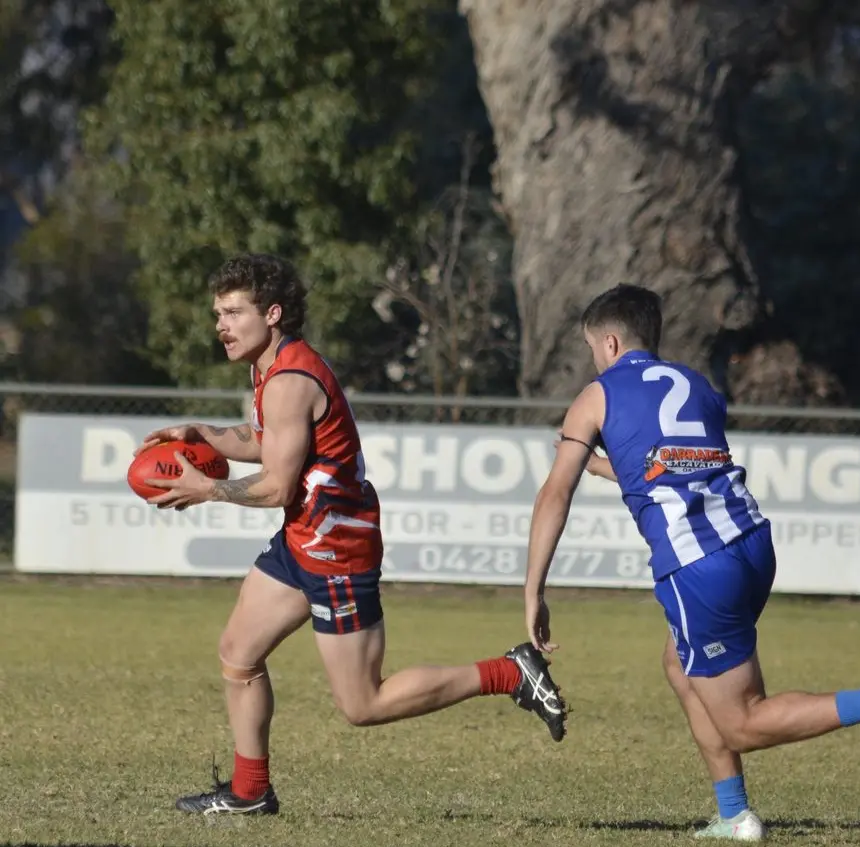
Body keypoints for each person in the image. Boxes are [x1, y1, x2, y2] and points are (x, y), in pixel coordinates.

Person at [523, 283, 860, 841]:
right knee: (679, 665)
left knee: (744, 720)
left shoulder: (597, 395)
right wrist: (611, 469)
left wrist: (534, 588)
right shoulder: (698, 386)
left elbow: (552, 495)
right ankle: (734, 815)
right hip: (752, 546)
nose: (594, 361)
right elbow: (679, 467)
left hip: (699, 567)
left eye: (593, 349)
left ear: (609, 342)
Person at [144, 253, 567, 815]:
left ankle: (510, 672)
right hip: (304, 538)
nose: (221, 324)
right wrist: (203, 433)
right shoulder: (271, 366)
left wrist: (207, 489)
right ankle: (249, 793)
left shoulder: (290, 380)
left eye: (232, 312)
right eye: (217, 313)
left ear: (272, 314)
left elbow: (275, 485)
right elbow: (264, 439)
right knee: (238, 654)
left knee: (363, 703)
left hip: (336, 549)